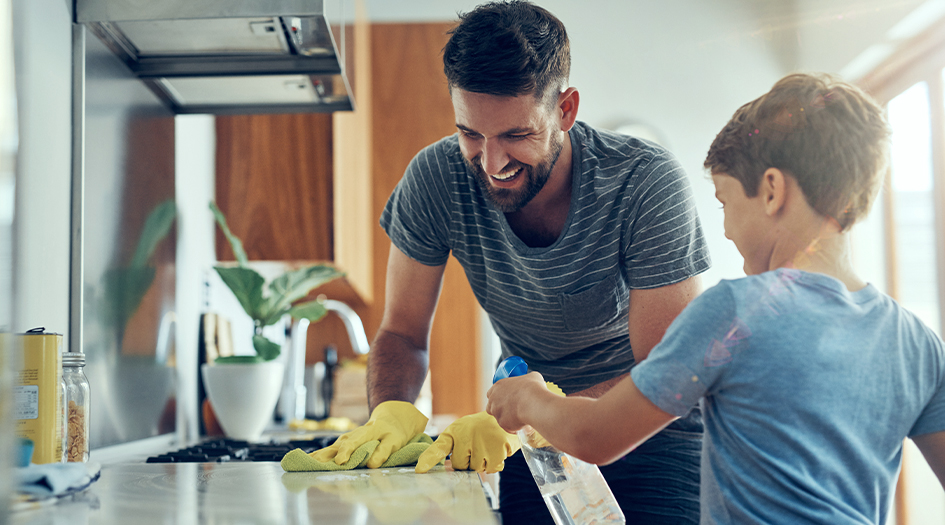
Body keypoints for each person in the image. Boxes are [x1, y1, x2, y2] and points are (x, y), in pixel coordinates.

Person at [312, 1, 711, 522]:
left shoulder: (643, 183)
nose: (492, 163)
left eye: (515, 136)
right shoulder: (436, 179)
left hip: (651, 439)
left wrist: (530, 413)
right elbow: (403, 335)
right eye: (470, 134)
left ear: (565, 110)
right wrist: (392, 410)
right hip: (530, 444)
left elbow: (663, 372)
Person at [486, 72, 945, 524]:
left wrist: (530, 398)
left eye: (725, 203)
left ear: (771, 190)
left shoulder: (735, 314)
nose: (724, 230)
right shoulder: (917, 343)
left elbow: (597, 436)